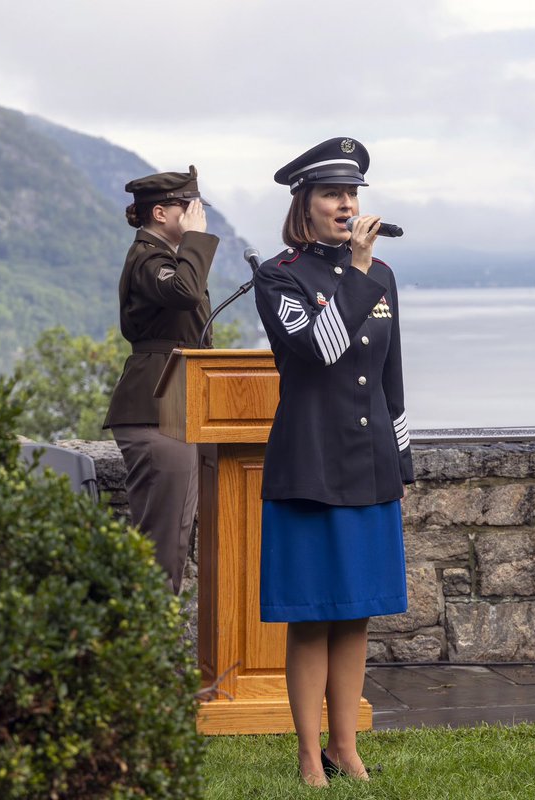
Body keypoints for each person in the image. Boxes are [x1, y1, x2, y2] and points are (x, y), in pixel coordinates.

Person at [252, 137, 413, 787]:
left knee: (355, 612)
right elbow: (319, 349)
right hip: (310, 464)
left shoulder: (382, 277)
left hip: (368, 464)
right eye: (332, 195)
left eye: (352, 195)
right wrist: (354, 267)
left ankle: (346, 748)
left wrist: (402, 461)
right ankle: (306, 754)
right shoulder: (280, 277)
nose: (346, 205)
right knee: (313, 614)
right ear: (304, 206)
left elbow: (390, 377)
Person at [102, 166, 219, 593]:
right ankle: (145, 649)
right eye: (186, 206)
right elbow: (186, 293)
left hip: (176, 407)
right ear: (159, 212)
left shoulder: (166, 258)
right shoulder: (148, 258)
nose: (196, 214)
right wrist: (196, 240)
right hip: (155, 407)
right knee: (160, 545)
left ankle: (152, 647)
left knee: (173, 538)